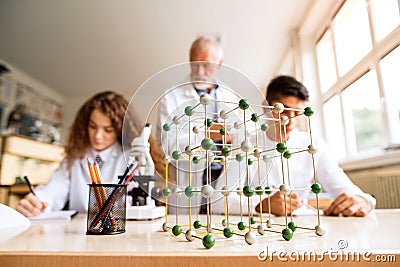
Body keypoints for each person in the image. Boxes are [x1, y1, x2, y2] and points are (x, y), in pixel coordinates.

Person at [16, 91, 165, 217]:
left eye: (108, 130)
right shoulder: (74, 158)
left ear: (120, 129)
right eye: (93, 127)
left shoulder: (132, 158)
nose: (98, 136)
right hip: (80, 233)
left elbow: (136, 201)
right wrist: (37, 202)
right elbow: (54, 189)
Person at [255, 75, 376, 217]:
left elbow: (346, 189)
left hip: (300, 227)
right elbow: (222, 201)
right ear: (265, 107)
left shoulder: (313, 145)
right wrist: (261, 205)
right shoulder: (245, 144)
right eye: (283, 110)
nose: (290, 120)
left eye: (297, 112)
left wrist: (361, 201)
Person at [157, 35, 240, 213]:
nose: (200, 71)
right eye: (194, 64)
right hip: (188, 185)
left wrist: (233, 137)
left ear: (219, 64)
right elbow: (167, 144)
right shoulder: (172, 97)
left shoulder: (230, 96)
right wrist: (205, 135)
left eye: (206, 65)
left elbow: (242, 139)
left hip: (222, 183)